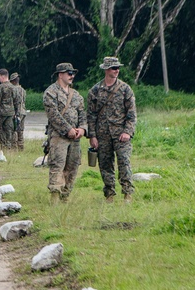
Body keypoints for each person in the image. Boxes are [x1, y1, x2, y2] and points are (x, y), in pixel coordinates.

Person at [88, 56, 138, 202]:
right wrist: (92, 136)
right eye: (114, 68)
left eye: (118, 68)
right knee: (105, 165)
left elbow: (132, 114)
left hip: (121, 134)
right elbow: (91, 115)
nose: (117, 71)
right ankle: (109, 194)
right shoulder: (95, 91)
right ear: (106, 69)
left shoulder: (125, 89)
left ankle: (127, 193)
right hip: (102, 134)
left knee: (124, 162)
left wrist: (127, 132)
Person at [43, 63, 88, 203]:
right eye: (68, 73)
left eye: (73, 73)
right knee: (57, 165)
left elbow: (82, 113)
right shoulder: (51, 92)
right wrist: (68, 129)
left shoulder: (76, 95)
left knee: (73, 166)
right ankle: (55, 197)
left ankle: (65, 195)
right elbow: (53, 115)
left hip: (75, 138)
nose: (71, 76)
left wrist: (82, 128)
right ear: (60, 74)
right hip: (58, 136)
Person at [0, 67, 21, 152]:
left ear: (2, 76)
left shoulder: (0, 87)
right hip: (10, 113)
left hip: (1, 113)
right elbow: (17, 102)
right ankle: (8, 149)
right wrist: (16, 113)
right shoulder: (14, 87)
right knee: (8, 132)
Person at [10, 72, 27, 150]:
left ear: (13, 81)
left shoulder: (14, 89)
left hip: (16, 112)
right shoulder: (23, 90)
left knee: (14, 130)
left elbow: (15, 102)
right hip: (23, 112)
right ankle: (21, 147)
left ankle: (14, 148)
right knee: (21, 131)